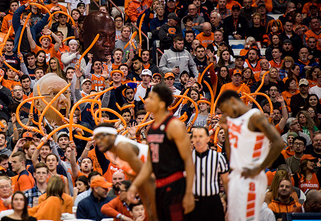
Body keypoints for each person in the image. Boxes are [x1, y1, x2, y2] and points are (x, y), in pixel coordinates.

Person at [127, 84, 195, 220]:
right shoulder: (150, 129)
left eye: (151, 98)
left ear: (162, 104)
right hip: (158, 187)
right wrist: (134, 185)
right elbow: (150, 163)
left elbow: (188, 161)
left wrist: (189, 193)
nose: (147, 100)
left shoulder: (174, 125)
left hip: (175, 186)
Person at [216, 90, 285, 221]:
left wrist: (260, 167)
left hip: (251, 176)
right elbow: (232, 158)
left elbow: (278, 142)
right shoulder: (233, 121)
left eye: (225, 109)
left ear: (233, 101)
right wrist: (226, 129)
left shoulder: (255, 116)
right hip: (236, 176)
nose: (226, 113)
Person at [93, 124, 154, 218]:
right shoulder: (110, 151)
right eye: (96, 138)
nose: (98, 141)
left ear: (113, 135)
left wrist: (134, 188)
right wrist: (148, 207)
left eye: (101, 137)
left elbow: (146, 176)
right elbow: (134, 175)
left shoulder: (122, 147)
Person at [189, 126, 229, 221]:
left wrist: (228, 204)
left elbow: (226, 182)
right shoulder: (187, 158)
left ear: (208, 138)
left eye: (201, 136)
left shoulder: (218, 157)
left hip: (213, 202)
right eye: (195, 137)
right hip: (193, 202)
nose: (198, 139)